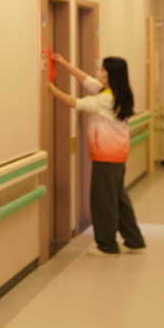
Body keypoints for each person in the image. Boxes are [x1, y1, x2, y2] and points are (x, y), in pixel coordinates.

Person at [48, 54, 146, 257]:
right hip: (117, 155)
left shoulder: (106, 98)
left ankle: (107, 245)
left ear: (111, 74)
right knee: (118, 199)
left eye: (103, 70)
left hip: (106, 156)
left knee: (103, 201)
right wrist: (64, 63)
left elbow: (77, 103)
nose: (99, 73)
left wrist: (50, 88)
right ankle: (134, 241)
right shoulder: (115, 92)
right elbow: (86, 80)